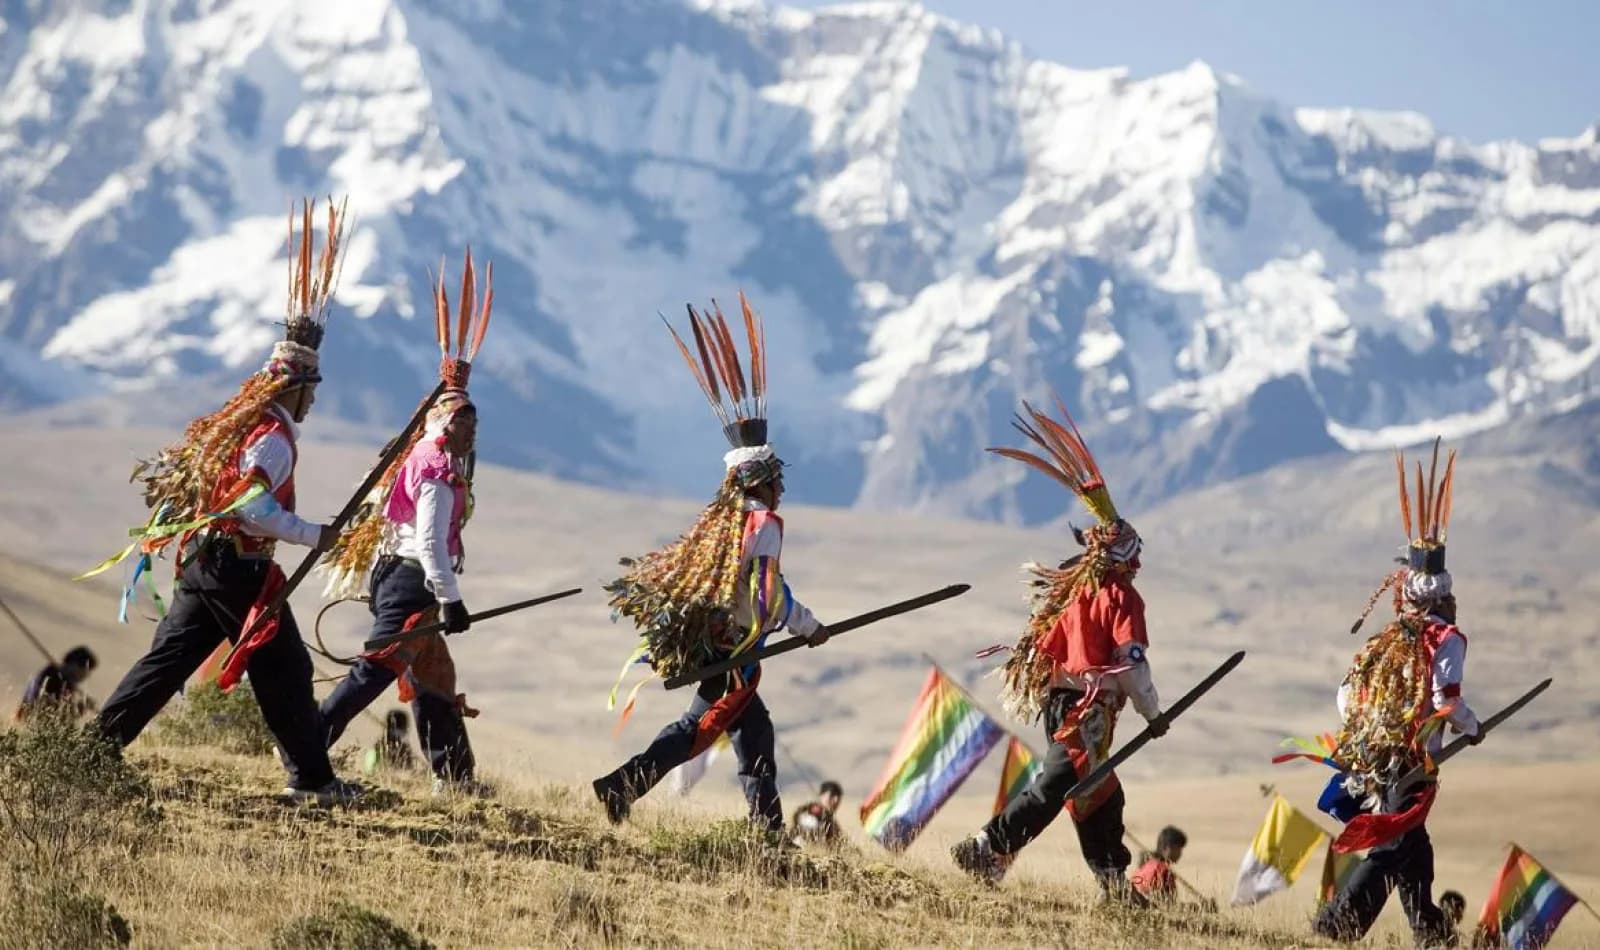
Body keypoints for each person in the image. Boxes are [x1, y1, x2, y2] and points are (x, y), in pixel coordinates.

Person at [89, 199, 361, 806]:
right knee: (280, 669)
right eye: (310, 391)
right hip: (237, 570)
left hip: (211, 566)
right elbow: (252, 510)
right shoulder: (273, 440)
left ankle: (93, 754)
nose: (313, 403)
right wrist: (314, 534)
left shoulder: (243, 425)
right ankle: (314, 781)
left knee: (196, 665)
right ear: (294, 387)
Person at [593, 295, 829, 836]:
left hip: (719, 645)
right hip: (736, 649)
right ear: (760, 482)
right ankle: (621, 786)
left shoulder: (723, 521)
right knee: (695, 731)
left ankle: (766, 831)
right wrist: (810, 627)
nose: (782, 486)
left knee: (754, 733)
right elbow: (768, 595)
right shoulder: (763, 524)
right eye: (776, 477)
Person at [952, 398, 1166, 900]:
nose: (1137, 565)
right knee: (1059, 787)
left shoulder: (1075, 590)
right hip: (1087, 711)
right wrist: (1153, 712)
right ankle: (988, 846)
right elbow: (1132, 665)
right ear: (1126, 558)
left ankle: (1113, 882)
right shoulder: (1119, 596)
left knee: (1099, 794)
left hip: (1060, 705)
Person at [318, 252, 493, 798]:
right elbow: (429, 544)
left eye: (474, 424)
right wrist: (452, 599)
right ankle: (306, 743)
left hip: (404, 579)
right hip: (412, 581)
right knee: (376, 670)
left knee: (434, 678)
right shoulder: (436, 471)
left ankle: (456, 779)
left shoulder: (420, 459)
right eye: (465, 424)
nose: (471, 435)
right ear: (445, 424)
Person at [1310, 440, 1478, 947]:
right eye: (1449, 596)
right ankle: (1337, 923)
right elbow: (1447, 698)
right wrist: (1473, 727)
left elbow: (1346, 694)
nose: (1453, 603)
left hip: (1371, 755)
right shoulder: (1445, 640)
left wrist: (1369, 730)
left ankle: (1428, 928)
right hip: (1407, 761)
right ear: (1443, 597)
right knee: (1393, 843)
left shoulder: (1385, 640)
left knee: (1414, 842)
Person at [14, 646, 97, 722]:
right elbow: (56, 718)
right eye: (86, 671)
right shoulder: (53, 679)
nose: (86, 676)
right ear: (75, 665)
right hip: (30, 725)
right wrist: (82, 707)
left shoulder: (61, 678)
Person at [1131, 826, 1187, 903]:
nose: (1180, 853)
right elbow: (1163, 903)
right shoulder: (1161, 869)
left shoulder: (1146, 864)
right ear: (1166, 848)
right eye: (1178, 849)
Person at [363, 709, 417, 775]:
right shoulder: (379, 747)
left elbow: (409, 771)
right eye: (404, 727)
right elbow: (369, 770)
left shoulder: (404, 748)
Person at [791, 780, 844, 846]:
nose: (835, 800)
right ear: (821, 795)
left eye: (838, 797)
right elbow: (806, 831)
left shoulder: (830, 818)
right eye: (832, 795)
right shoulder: (812, 812)